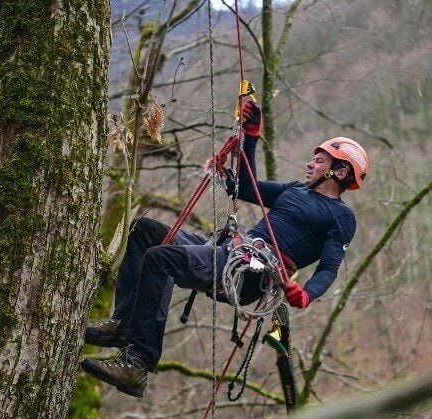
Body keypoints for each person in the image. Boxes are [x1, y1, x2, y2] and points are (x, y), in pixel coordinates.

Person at [80, 101, 369, 397]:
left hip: (249, 272)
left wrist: (307, 294)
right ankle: (123, 324)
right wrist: (251, 136)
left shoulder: (341, 216)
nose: (310, 164)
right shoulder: (295, 190)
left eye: (319, 161)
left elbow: (329, 267)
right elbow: (247, 187)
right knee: (143, 230)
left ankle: (138, 363)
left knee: (161, 259)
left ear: (340, 172)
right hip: (228, 252)